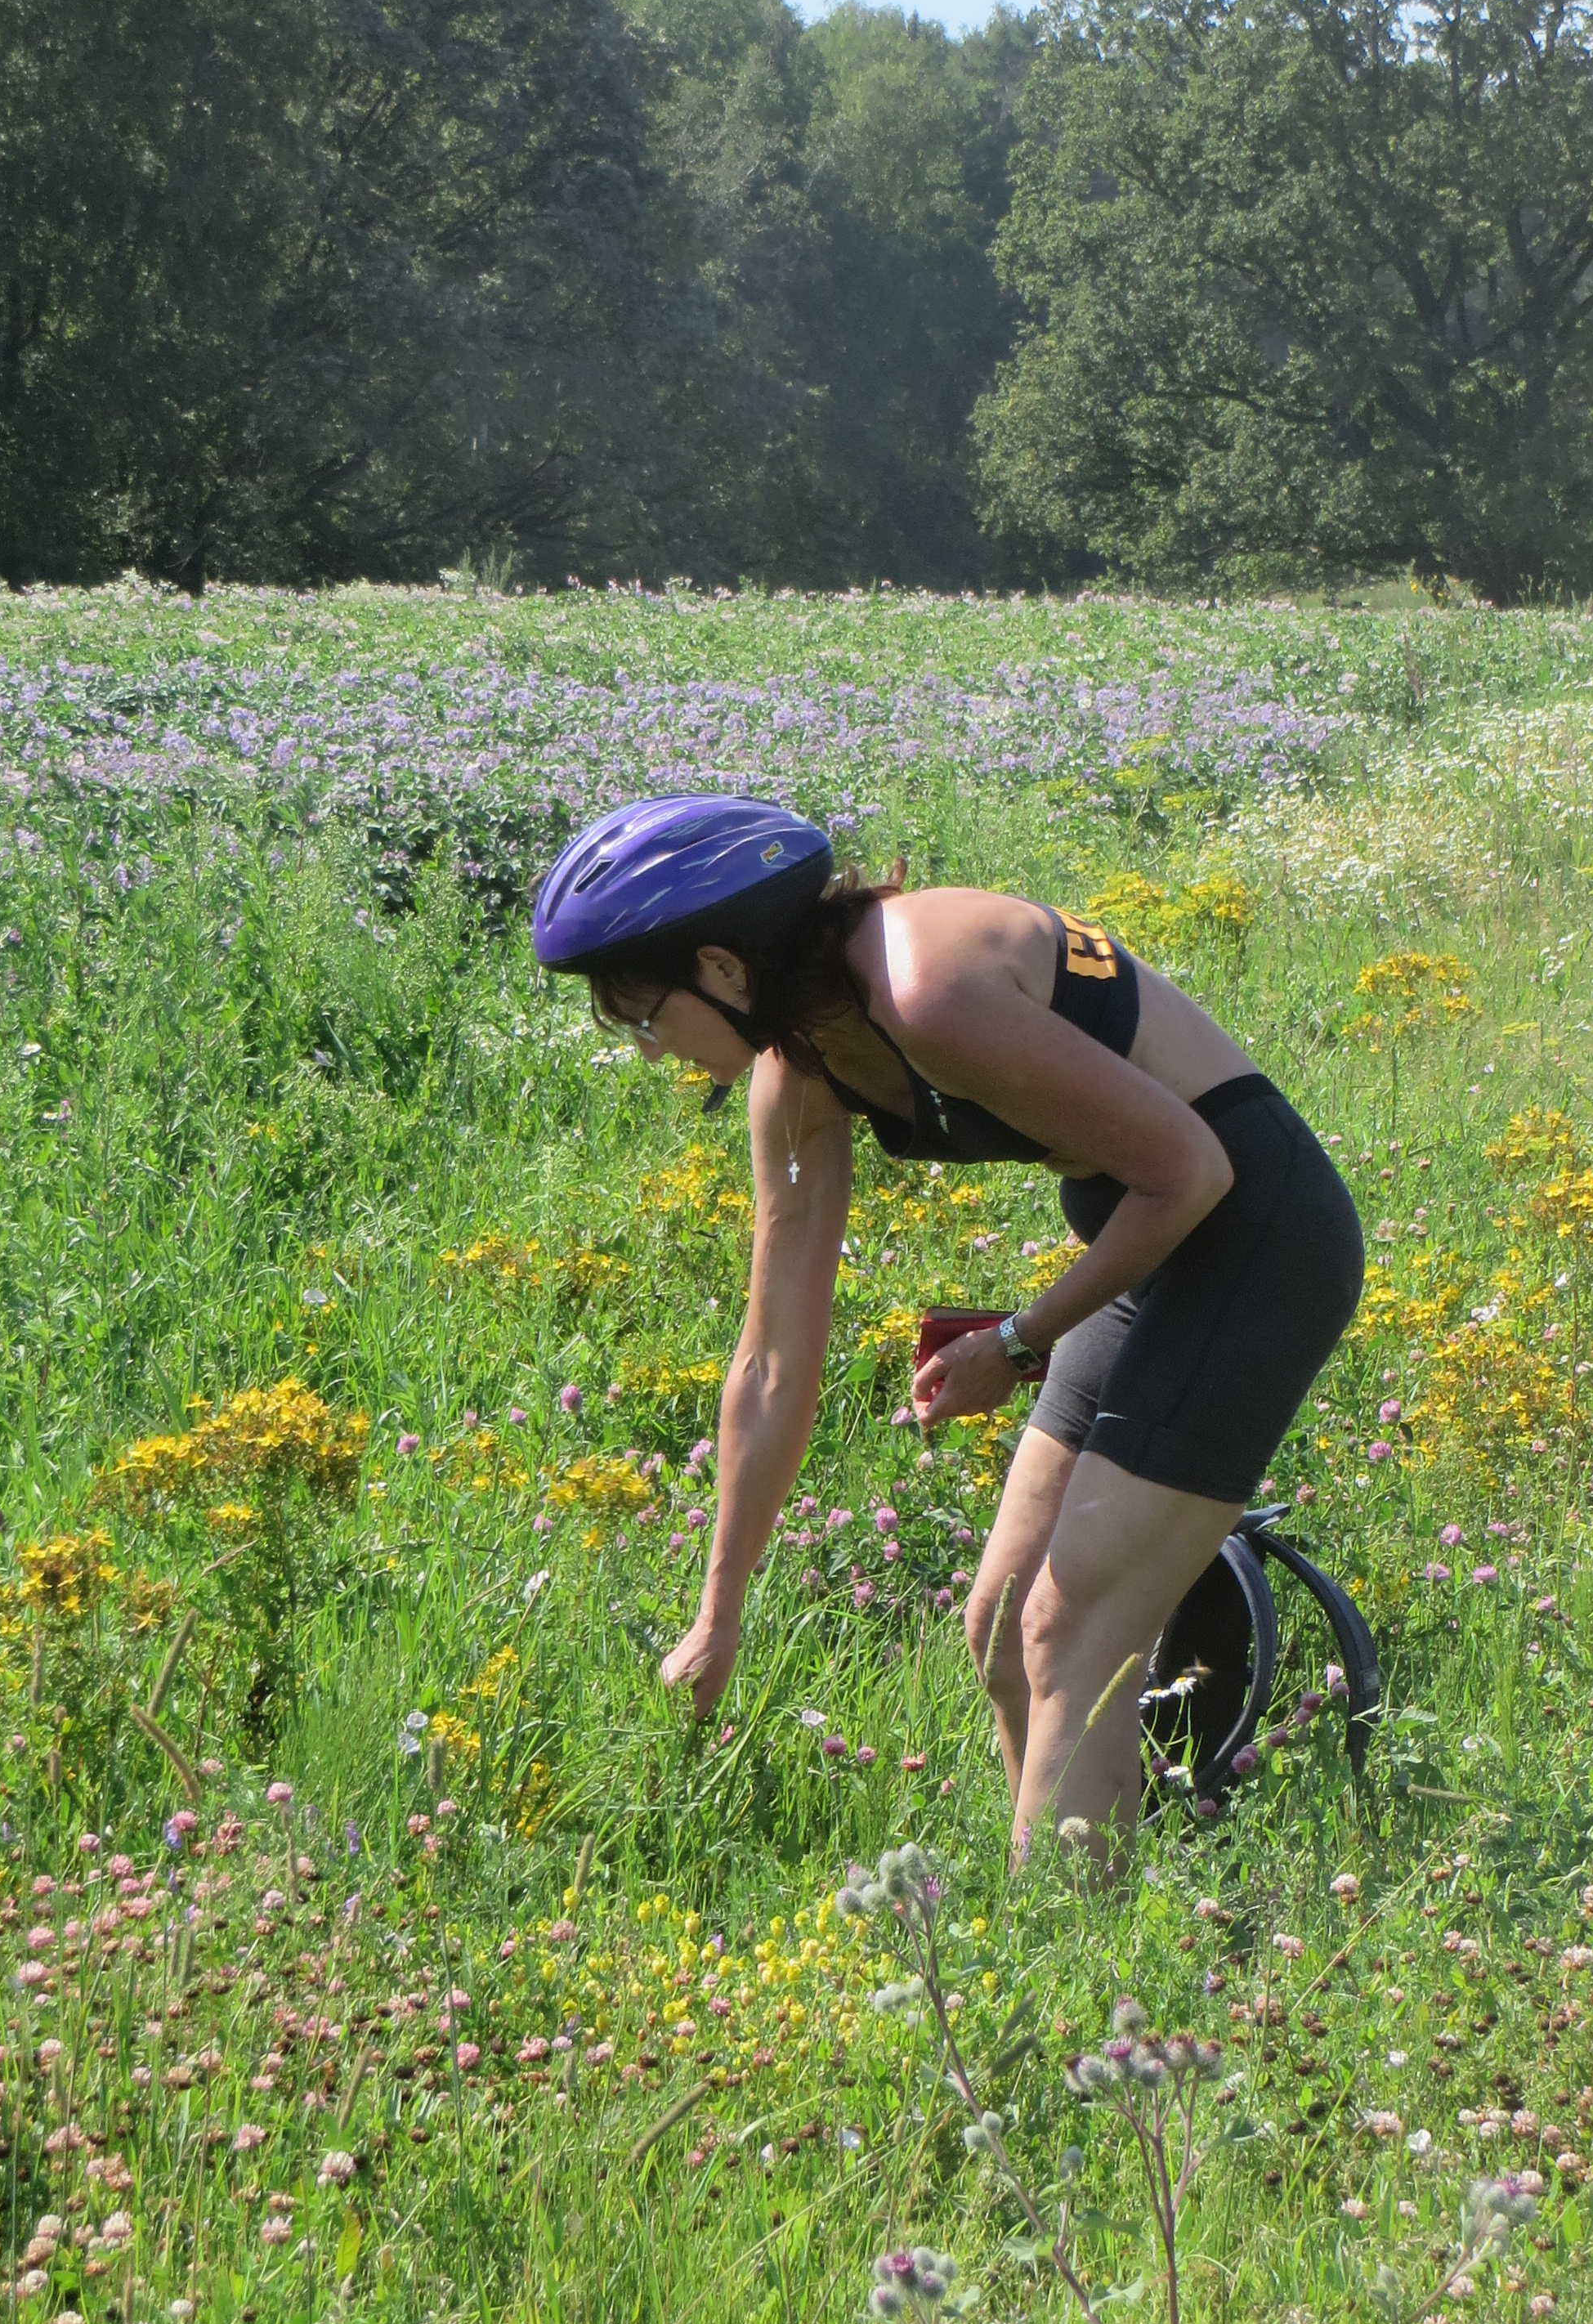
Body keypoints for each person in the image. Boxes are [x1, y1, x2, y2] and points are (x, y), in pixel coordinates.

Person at [532, 795, 1363, 1869]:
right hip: (1152, 1243)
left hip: (1256, 1233)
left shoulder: (927, 988)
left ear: (723, 968)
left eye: (647, 1019)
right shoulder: (799, 1074)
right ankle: (1104, 1904)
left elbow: (1195, 1171)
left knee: (1072, 1629)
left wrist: (1017, 1344)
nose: (652, 1054)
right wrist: (718, 1613)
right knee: (1008, 1627)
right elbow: (773, 1363)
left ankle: (1068, 1953)